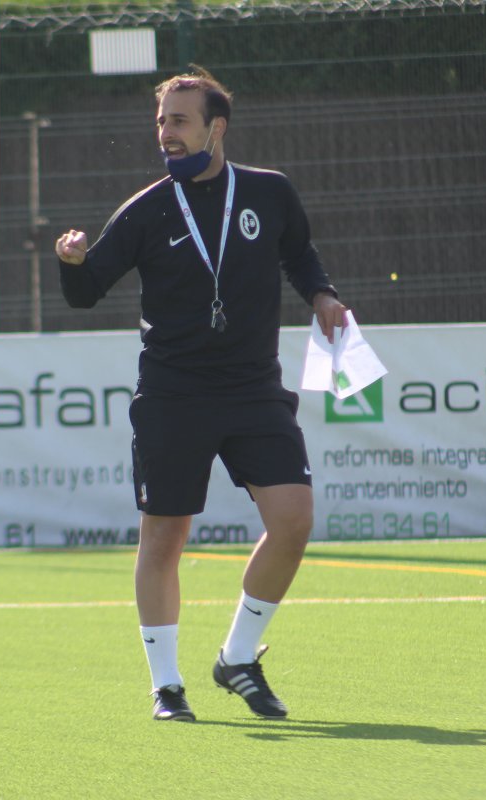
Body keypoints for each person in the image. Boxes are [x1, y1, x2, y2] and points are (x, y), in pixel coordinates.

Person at [54, 67, 349, 722]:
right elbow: (85, 290)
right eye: (161, 121)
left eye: (179, 120)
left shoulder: (270, 193)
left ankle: (238, 657)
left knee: (294, 519)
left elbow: (300, 254)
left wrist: (323, 295)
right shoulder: (148, 207)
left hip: (252, 388)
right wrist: (70, 261)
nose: (166, 134)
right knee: (164, 538)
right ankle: (166, 686)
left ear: (216, 127)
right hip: (173, 393)